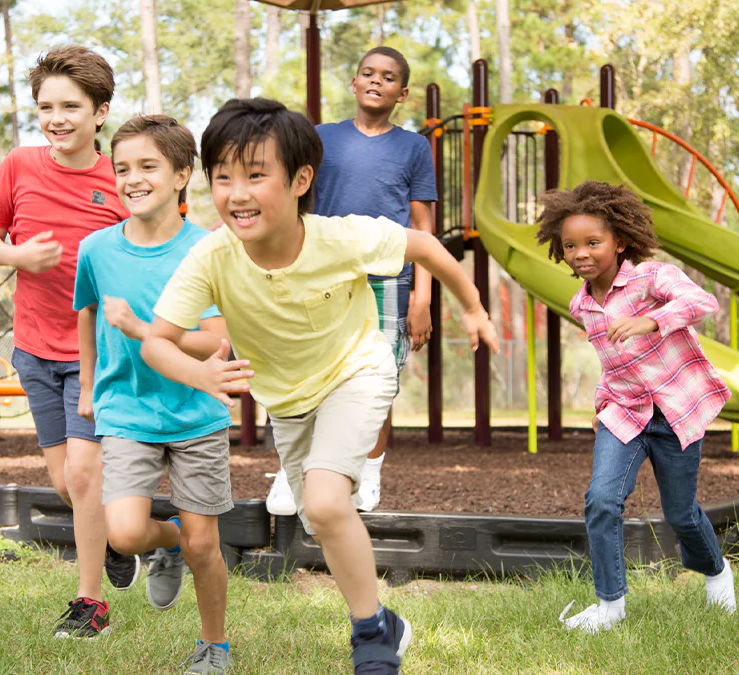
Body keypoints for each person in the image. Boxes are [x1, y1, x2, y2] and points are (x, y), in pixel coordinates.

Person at [141, 98, 499, 675]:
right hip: (289, 399)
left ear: (301, 178)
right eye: (224, 177)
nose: (237, 193)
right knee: (318, 517)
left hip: (358, 371)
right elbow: (157, 341)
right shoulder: (213, 255)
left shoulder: (340, 237)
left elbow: (427, 245)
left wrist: (473, 307)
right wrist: (201, 372)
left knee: (328, 503)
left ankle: (370, 641)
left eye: (257, 175)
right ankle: (387, 622)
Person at [0, 45, 137, 640]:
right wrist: (17, 255)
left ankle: (89, 603)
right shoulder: (19, 165)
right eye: (46, 106)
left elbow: (156, 244)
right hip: (34, 346)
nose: (56, 117)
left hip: (99, 353)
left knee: (87, 475)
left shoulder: (123, 177)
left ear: (101, 112)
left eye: (71, 105)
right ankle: (121, 543)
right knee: (67, 484)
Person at [534, 180, 738, 633]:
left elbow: (702, 301)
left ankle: (717, 572)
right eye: (570, 245)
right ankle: (610, 606)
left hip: (673, 410)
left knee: (680, 514)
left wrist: (652, 320)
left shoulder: (651, 277)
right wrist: (603, 402)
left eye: (592, 242)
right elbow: (611, 362)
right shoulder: (581, 305)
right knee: (602, 500)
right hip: (624, 412)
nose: (580, 253)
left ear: (619, 242)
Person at [74, 114, 234, 673]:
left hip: (196, 413)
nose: (132, 178)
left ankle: (214, 645)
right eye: (122, 168)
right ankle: (165, 546)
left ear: (182, 175)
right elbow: (87, 314)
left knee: (205, 546)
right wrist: (89, 385)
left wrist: (145, 330)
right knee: (123, 531)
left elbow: (216, 341)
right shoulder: (96, 249)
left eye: (148, 166)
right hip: (126, 410)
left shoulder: (209, 250)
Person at [264, 46, 437, 516]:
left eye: (388, 77)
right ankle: (292, 469)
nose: (376, 81)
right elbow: (291, 198)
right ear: (354, 83)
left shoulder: (414, 148)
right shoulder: (322, 139)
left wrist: (422, 295)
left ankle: (368, 473)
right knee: (306, 370)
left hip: (387, 279)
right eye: (368, 73)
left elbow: (423, 229)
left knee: (378, 381)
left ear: (402, 93)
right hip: (322, 276)